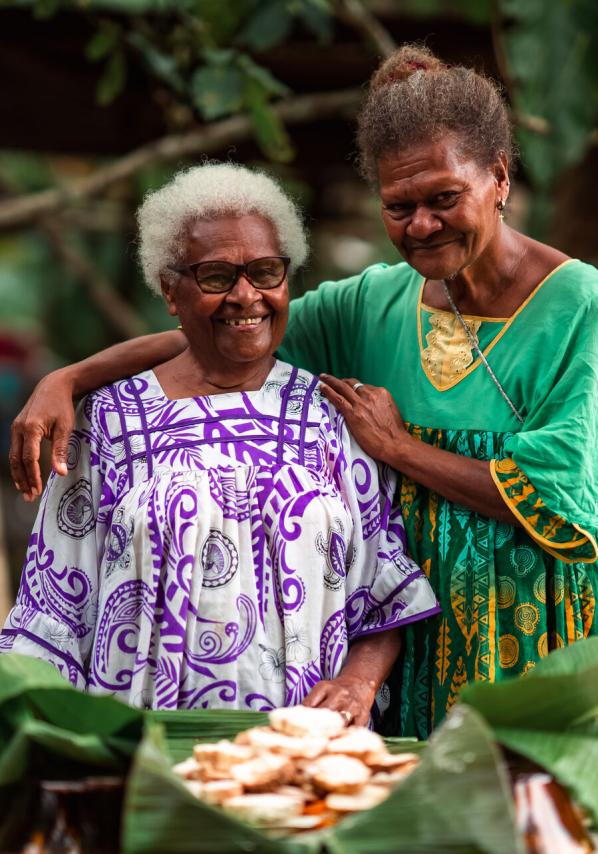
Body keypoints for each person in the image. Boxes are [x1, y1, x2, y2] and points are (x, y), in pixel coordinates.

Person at [9, 46, 598, 736]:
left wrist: (399, 449)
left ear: (499, 177)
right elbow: (230, 327)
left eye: (444, 199)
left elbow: (562, 495)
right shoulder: (374, 301)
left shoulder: (581, 304)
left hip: (547, 618)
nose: (421, 224)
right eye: (399, 206)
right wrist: (69, 378)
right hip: (429, 644)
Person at [0, 163, 439, 722]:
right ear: (170, 290)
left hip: (300, 744)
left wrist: (357, 685)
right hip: (146, 744)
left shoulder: (331, 418)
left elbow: (383, 592)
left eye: (266, 271)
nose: (245, 295)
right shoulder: (108, 421)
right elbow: (52, 613)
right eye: (215, 277)